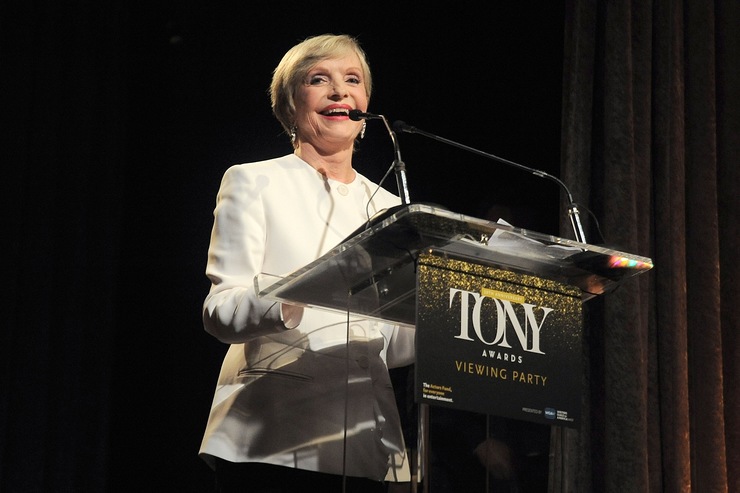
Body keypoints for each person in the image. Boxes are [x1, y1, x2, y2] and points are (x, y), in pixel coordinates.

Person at [198, 34, 416, 493]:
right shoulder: (254, 181)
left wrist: (452, 315)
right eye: (320, 79)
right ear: (290, 105)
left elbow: (388, 343)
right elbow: (221, 310)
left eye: (352, 80)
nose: (340, 91)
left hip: (365, 442)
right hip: (272, 432)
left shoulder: (392, 208)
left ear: (366, 105)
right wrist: (300, 294)